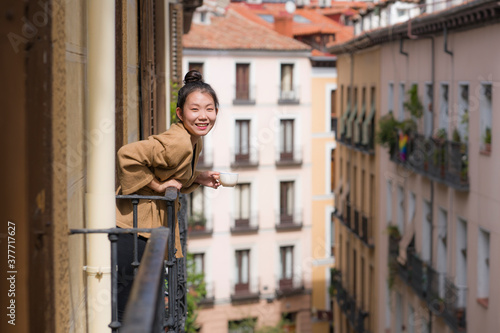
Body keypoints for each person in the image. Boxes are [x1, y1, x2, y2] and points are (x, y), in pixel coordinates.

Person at [115, 70, 220, 320]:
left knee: (133, 301)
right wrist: (158, 187)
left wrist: (198, 176)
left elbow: (170, 171)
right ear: (180, 113)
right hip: (134, 228)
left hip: (145, 228)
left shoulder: (194, 138)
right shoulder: (179, 142)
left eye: (209, 109)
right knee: (127, 306)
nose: (203, 116)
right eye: (195, 110)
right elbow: (127, 155)